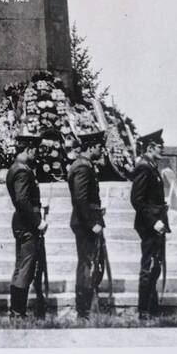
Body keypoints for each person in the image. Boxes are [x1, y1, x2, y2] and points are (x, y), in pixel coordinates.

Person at [6, 131, 48, 317]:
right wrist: (37, 221)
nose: (36, 154)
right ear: (29, 149)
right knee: (25, 267)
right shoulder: (22, 171)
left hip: (23, 222)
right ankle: (17, 311)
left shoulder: (18, 168)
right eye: (35, 150)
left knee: (24, 266)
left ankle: (17, 309)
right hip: (27, 224)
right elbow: (22, 200)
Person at [130, 129, 170, 320]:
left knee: (155, 266)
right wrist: (153, 221)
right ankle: (143, 310)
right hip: (149, 226)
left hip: (157, 222)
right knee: (148, 267)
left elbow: (150, 197)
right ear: (150, 148)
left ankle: (152, 308)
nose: (162, 150)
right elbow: (137, 199)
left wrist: (162, 206)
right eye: (159, 147)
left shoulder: (151, 166)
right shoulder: (144, 167)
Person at [67, 129, 107, 319]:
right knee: (86, 264)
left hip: (88, 220)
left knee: (89, 263)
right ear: (91, 147)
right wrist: (92, 223)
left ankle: (86, 307)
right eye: (99, 147)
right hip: (85, 224)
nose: (102, 151)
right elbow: (80, 199)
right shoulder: (82, 167)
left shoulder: (85, 165)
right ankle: (83, 311)